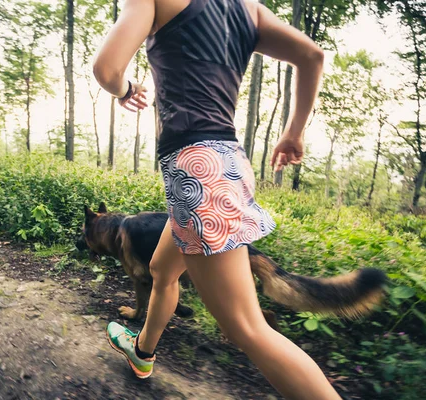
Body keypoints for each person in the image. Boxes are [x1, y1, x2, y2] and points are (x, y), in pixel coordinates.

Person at [93, 0, 339, 398]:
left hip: (197, 172)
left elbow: (107, 70)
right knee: (161, 269)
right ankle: (142, 352)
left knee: (246, 327)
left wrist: (126, 90)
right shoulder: (249, 9)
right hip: (229, 162)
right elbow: (311, 56)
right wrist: (295, 132)